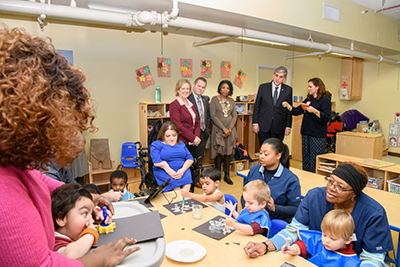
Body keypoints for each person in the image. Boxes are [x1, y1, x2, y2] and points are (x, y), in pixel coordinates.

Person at [0, 26, 139, 266]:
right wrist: (99, 259)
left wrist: (86, 198)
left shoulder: (15, 164)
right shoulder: (4, 190)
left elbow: (40, 181)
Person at [244, 162, 393, 267]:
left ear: (354, 193)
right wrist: (266, 245)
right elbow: (293, 231)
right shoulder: (315, 197)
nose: (331, 188)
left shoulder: (373, 214)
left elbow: (372, 258)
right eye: (330, 181)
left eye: (340, 187)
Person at [242, 138, 301, 223]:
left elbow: (295, 210)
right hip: (253, 218)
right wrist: (247, 207)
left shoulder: (291, 179)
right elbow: (243, 195)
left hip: (276, 222)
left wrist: (274, 208)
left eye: (266, 154)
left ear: (278, 156)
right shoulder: (254, 171)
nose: (261, 156)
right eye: (261, 153)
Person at [282, 77, 331, 173]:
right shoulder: (308, 99)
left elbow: (326, 118)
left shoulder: (325, 100)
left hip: (317, 134)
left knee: (314, 159)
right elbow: (297, 111)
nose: (308, 89)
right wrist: (288, 106)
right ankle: (306, 175)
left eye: (310, 87)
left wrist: (315, 111)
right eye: (308, 87)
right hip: (306, 132)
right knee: (306, 157)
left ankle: (314, 177)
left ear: (317, 87)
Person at [282, 209, 361, 267]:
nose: (326, 240)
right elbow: (303, 246)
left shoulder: (351, 262)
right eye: (324, 235)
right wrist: (293, 249)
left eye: (333, 239)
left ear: (347, 240)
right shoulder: (319, 241)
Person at [52, 183, 100, 259]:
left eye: (91, 215)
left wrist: (99, 213)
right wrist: (91, 233)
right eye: (84, 213)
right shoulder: (56, 241)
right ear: (61, 218)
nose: (91, 221)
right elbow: (70, 255)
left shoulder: (72, 234)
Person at [252, 66, 293, 144]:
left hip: (279, 126)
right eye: (276, 75)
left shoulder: (288, 90)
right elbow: (257, 106)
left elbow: (289, 110)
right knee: (264, 149)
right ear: (273, 75)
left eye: (280, 77)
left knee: (276, 150)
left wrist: (288, 126)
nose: (277, 78)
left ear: (284, 79)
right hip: (263, 125)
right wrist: (255, 123)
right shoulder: (263, 87)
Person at [151, 121, 194, 192]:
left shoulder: (181, 144)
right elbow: (157, 162)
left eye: (174, 135)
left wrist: (182, 170)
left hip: (182, 169)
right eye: (168, 136)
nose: (172, 138)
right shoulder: (156, 145)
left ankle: (184, 200)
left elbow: (190, 158)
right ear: (163, 136)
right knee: (175, 185)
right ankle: (179, 201)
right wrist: (170, 171)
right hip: (163, 170)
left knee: (187, 184)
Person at [210, 80, 238, 185]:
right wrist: (223, 128)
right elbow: (213, 116)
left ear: (230, 90)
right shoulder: (214, 100)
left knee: (228, 153)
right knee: (218, 153)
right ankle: (216, 177)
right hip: (218, 131)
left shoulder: (231, 101)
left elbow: (235, 115)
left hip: (230, 132)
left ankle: (227, 175)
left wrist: (229, 129)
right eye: (223, 87)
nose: (225, 90)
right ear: (220, 88)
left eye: (227, 88)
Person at [188, 77, 211, 189]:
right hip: (191, 134)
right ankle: (189, 181)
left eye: (203, 87)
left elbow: (207, 116)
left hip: (203, 133)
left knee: (199, 158)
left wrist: (206, 131)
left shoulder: (205, 99)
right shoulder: (187, 98)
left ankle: (196, 179)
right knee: (190, 158)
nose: (201, 89)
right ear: (194, 85)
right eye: (199, 86)